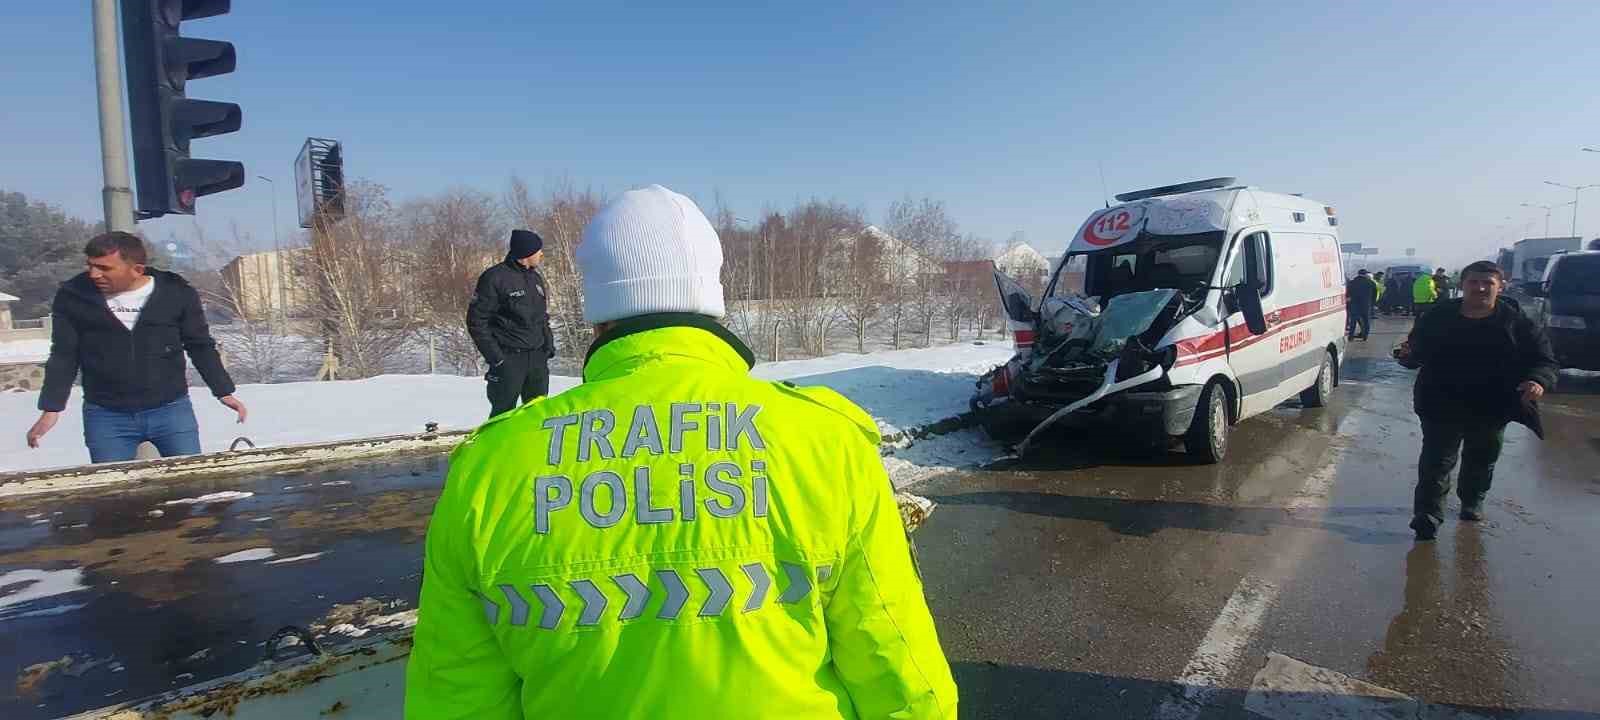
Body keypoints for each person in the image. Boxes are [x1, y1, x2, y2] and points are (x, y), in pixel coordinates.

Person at [406, 185, 958, 719]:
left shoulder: (490, 466)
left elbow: (456, 696)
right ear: (712, 298)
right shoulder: (824, 441)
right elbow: (897, 663)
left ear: (598, 310)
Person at [25, 231, 246, 462]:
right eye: (90, 265)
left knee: (188, 487)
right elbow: (63, 355)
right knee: (115, 492)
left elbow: (199, 345)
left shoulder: (176, 292)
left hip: (171, 409)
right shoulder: (74, 295)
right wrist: (51, 408)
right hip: (106, 415)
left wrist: (223, 391)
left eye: (104, 268)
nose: (93, 274)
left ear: (137, 269)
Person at [1394, 260, 1557, 540]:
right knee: (1436, 461)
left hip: (1492, 404)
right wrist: (1406, 355)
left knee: (1481, 459)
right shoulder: (1437, 316)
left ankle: (1473, 499)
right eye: (1473, 282)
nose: (1480, 288)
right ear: (1463, 285)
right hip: (1440, 400)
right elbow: (1416, 353)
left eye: (1487, 283)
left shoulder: (1517, 321)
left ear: (1499, 287)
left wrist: (1538, 381)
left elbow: (1544, 360)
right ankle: (1427, 515)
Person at [467, 229, 557, 417]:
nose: (542, 254)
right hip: (509, 360)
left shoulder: (535, 277)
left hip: (537, 360)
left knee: (538, 415)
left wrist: (547, 346)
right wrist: (497, 358)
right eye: (538, 250)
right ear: (526, 253)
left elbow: (542, 317)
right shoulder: (494, 278)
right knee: (502, 416)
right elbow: (477, 321)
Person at [1345, 269, 1378, 340]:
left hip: (1355, 305)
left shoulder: (1352, 282)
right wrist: (1372, 303)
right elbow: (1374, 294)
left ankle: (1351, 336)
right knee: (1366, 321)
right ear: (1365, 274)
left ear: (1358, 273)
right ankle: (1365, 336)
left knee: (1353, 321)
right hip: (1366, 305)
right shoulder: (1371, 282)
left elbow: (1348, 293)